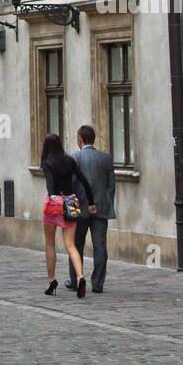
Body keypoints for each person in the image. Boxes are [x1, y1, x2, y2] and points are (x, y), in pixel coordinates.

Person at [41, 132, 94, 299]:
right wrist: (91, 203)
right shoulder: (70, 160)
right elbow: (84, 182)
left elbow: (50, 186)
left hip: (55, 203)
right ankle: (80, 277)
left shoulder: (47, 163)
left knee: (50, 244)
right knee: (71, 245)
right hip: (72, 202)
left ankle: (51, 280)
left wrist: (52, 195)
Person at [66, 125, 116, 294]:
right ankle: (98, 283)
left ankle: (75, 280)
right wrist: (106, 204)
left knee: (76, 245)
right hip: (101, 208)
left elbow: (70, 186)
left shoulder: (75, 158)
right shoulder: (106, 159)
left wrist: (71, 211)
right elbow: (111, 187)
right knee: (100, 246)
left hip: (80, 209)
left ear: (80, 140)